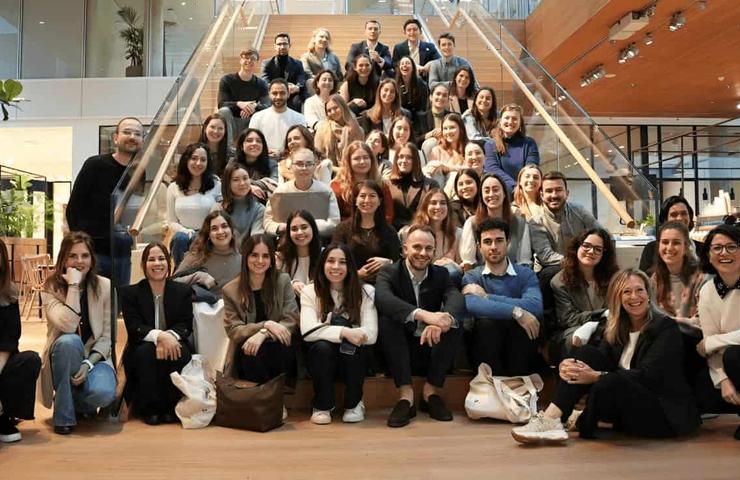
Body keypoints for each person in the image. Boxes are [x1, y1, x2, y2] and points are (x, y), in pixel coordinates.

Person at [511, 268, 700, 444]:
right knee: (583, 354)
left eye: (639, 290)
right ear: (617, 298)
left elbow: (649, 377)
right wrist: (567, 365)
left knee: (609, 382)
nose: (634, 297)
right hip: (625, 401)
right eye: (626, 292)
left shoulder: (665, 328)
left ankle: (574, 418)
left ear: (648, 294)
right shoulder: (615, 326)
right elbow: (596, 357)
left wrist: (596, 376)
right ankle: (552, 418)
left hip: (661, 412)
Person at [375, 225, 465, 427]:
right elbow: (383, 299)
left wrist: (444, 321)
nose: (423, 253)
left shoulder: (441, 274)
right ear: (405, 248)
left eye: (429, 248)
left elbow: (456, 298)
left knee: (455, 323)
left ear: (434, 251)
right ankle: (405, 396)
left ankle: (430, 393)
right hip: (400, 349)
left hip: (430, 348)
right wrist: (427, 316)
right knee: (387, 321)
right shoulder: (389, 272)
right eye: (417, 247)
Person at [39, 232, 117, 435]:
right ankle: (64, 416)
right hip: (63, 355)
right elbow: (68, 324)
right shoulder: (51, 287)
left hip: (94, 357)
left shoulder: (104, 286)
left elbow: (107, 336)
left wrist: (89, 362)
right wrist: (73, 285)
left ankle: (78, 402)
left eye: (85, 255)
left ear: (92, 259)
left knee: (103, 393)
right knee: (70, 341)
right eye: (73, 256)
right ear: (63, 259)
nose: (79, 261)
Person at [301, 244, 378, 424]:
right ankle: (322, 405)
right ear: (322, 264)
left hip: (352, 358)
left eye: (342, 262)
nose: (336, 267)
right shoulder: (309, 291)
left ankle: (354, 403)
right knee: (321, 347)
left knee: (354, 346)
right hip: (322, 358)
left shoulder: (366, 291)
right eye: (331, 261)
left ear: (350, 266)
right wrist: (345, 331)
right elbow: (307, 331)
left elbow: (371, 334)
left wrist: (331, 331)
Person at [120, 242, 193, 425]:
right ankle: (149, 408)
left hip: (174, 338)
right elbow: (134, 327)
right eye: (151, 259)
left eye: (161, 258)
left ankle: (170, 407)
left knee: (179, 351)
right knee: (146, 353)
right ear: (144, 264)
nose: (157, 263)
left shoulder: (182, 291)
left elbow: (185, 324)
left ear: (169, 263)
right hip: (143, 342)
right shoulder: (131, 293)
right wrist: (160, 336)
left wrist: (170, 337)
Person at [66, 116, 143, 287]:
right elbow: (74, 208)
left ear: (142, 141)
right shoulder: (95, 165)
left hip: (122, 251)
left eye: (137, 134)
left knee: (116, 305)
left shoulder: (138, 173)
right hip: (94, 251)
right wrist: (80, 248)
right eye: (127, 132)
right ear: (115, 138)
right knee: (92, 305)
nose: (132, 136)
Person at [462, 218, 543, 375]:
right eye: (487, 242)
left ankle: (517, 386)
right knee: (486, 326)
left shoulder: (526, 274)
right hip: (486, 349)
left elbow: (535, 306)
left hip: (519, 348)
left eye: (499, 240)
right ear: (479, 247)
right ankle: (494, 386)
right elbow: (471, 303)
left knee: (524, 325)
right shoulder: (472, 276)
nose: (493, 247)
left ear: (508, 242)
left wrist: (487, 297)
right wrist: (516, 311)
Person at [222, 235, 298, 386]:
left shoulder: (282, 281)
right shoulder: (230, 290)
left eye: (265, 256)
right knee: (250, 352)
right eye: (254, 255)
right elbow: (234, 330)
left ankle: (273, 401)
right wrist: (265, 325)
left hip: (277, 343)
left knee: (280, 349)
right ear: (246, 258)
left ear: (271, 260)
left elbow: (291, 319)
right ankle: (269, 402)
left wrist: (264, 334)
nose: (260, 261)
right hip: (248, 349)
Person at [529, 171, 601, 314]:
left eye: (558, 190)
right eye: (549, 191)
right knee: (550, 273)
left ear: (567, 193)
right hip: (556, 267)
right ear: (542, 195)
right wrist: (577, 263)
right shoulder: (535, 222)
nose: (554, 195)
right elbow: (546, 256)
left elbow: (602, 235)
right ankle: (550, 320)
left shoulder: (580, 212)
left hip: (586, 263)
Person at [695, 224, 740, 439]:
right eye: (717, 248)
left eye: (732, 247)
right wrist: (722, 380)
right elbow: (708, 344)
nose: (724, 253)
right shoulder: (707, 291)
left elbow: (710, 344)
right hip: (730, 364)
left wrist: (714, 342)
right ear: (709, 255)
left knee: (733, 354)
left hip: (734, 357)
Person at [549, 228, 618, 363]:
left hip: (608, 327)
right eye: (586, 246)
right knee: (583, 338)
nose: (591, 252)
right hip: (572, 331)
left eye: (598, 249)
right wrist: (600, 314)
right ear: (577, 247)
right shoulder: (559, 281)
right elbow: (568, 319)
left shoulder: (614, 278)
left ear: (604, 254)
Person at [0, 238, 41, 443]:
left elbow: (9, 339)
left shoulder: (9, 295)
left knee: (30, 360)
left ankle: (6, 416)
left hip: (2, 359)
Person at [332, 180, 400, 284]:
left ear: (379, 201)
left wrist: (388, 263)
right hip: (350, 283)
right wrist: (357, 274)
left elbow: (399, 263)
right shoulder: (342, 229)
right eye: (362, 196)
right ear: (355, 200)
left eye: (372, 196)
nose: (367, 200)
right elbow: (334, 259)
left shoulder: (390, 231)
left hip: (382, 284)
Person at [263, 148, 340, 239]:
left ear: (315, 166)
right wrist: (281, 227)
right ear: (291, 166)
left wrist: (306, 227)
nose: (304, 168)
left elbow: (334, 223)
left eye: (309, 164)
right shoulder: (281, 192)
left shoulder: (326, 191)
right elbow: (268, 222)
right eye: (299, 164)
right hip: (287, 239)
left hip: (318, 239)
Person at [460, 173, 532, 269]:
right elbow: (468, 264)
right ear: (481, 196)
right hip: (481, 278)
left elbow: (524, 262)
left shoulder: (519, 223)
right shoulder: (472, 223)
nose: (491, 194)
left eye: (495, 190)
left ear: (505, 193)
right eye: (486, 191)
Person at [167, 142, 221, 266]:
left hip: (208, 235)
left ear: (208, 163)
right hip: (183, 237)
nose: (198, 163)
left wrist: (202, 233)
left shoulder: (216, 185)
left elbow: (219, 215)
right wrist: (186, 231)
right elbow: (171, 222)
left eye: (203, 160)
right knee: (181, 238)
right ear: (186, 160)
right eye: (194, 158)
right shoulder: (173, 187)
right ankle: (181, 275)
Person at [173, 211, 241, 299]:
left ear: (231, 231)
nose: (220, 231)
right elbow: (173, 284)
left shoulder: (242, 261)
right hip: (201, 310)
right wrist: (198, 277)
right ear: (208, 235)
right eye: (214, 228)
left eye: (224, 226)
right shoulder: (197, 256)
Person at [638, 196, 704, 275]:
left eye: (684, 213)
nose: (680, 218)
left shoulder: (702, 249)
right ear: (665, 220)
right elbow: (643, 281)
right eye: (674, 215)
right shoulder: (651, 249)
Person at [330, 140, 393, 223]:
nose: (362, 162)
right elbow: (335, 217)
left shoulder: (381, 185)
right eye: (357, 158)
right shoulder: (337, 186)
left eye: (366, 157)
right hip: (347, 231)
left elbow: (388, 215)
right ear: (349, 161)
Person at [483, 104, 540, 193]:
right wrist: (515, 187)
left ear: (520, 122)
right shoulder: (490, 145)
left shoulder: (529, 143)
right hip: (502, 193)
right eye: (507, 118)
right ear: (500, 121)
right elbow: (493, 169)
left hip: (526, 191)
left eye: (514, 119)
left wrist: (521, 188)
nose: (510, 121)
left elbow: (531, 168)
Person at [217, 48, 269, 144]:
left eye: (253, 58)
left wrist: (253, 106)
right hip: (231, 121)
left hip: (251, 122)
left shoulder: (262, 84)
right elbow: (221, 104)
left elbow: (267, 106)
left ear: (257, 62)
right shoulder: (227, 80)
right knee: (223, 111)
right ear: (240, 60)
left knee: (265, 114)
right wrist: (239, 104)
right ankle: (228, 148)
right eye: (246, 58)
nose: (249, 61)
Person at [407, 188, 462, 278]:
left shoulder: (458, 234)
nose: (438, 207)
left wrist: (452, 264)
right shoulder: (412, 233)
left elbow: (463, 269)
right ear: (425, 207)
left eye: (443, 203)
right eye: (433, 203)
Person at [248, 78, 307, 156]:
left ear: (288, 94)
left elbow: (302, 144)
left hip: (290, 158)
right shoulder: (257, 117)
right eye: (275, 93)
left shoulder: (299, 118)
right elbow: (252, 142)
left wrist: (281, 153)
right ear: (269, 94)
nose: (278, 97)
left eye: (282, 93)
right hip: (264, 158)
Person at [387, 143, 439, 230]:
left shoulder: (430, 185)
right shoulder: (386, 185)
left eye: (409, 157)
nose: (404, 161)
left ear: (416, 160)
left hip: (421, 231)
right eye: (401, 157)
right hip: (392, 234)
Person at [211, 162, 265, 245]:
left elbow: (256, 239)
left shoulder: (259, 209)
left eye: (245, 178)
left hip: (247, 254)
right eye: (236, 180)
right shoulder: (218, 208)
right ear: (227, 183)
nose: (242, 183)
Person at [277, 210, 322, 298]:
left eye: (304, 227)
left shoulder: (325, 255)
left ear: (313, 228)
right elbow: (276, 286)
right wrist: (291, 284)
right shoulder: (280, 257)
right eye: (294, 229)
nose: (299, 232)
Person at [314, 94, 364, 168]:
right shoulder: (322, 130)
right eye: (329, 110)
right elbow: (318, 156)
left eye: (336, 108)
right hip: (329, 172)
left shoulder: (357, 129)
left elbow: (361, 153)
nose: (333, 112)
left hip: (354, 170)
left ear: (343, 107)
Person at [261, 33, 307, 113]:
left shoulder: (298, 63)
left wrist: (297, 87)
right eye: (279, 44)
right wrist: (278, 89)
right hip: (274, 93)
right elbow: (265, 82)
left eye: (285, 44)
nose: (282, 47)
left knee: (298, 99)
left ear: (289, 45)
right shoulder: (267, 63)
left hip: (291, 94)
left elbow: (301, 81)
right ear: (275, 46)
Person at [234, 128, 279, 203]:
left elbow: (273, 184)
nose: (254, 143)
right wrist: (250, 187)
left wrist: (242, 184)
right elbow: (227, 183)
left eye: (258, 141)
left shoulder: (272, 164)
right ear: (241, 146)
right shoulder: (234, 162)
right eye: (249, 140)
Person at [426, 113, 468, 187]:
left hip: (463, 187)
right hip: (441, 189)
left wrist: (447, 168)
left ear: (461, 129)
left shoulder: (469, 148)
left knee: (454, 175)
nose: (448, 131)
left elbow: (473, 169)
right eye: (445, 128)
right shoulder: (436, 150)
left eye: (452, 127)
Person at [300, 27, 343, 92]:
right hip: (316, 88)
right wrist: (324, 82)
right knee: (309, 81)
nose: (324, 39)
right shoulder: (306, 57)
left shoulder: (334, 57)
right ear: (314, 39)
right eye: (321, 37)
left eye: (327, 38)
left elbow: (340, 76)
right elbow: (307, 75)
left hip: (333, 88)